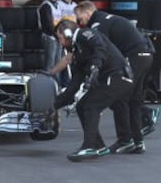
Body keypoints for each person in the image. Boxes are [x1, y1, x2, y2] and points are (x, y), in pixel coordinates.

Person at [74, 0, 156, 153]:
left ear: (87, 13)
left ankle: (125, 139)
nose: (80, 23)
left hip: (134, 56)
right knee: (134, 100)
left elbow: (102, 52)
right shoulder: (108, 18)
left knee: (120, 96)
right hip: (146, 55)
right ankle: (138, 142)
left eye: (80, 19)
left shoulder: (97, 25)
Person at [54, 20, 134, 162]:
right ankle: (98, 145)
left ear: (67, 33)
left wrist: (95, 67)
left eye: (59, 38)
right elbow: (74, 84)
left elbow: (100, 47)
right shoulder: (77, 51)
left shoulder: (86, 34)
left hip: (118, 76)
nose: (60, 43)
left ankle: (90, 146)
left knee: (92, 105)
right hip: (110, 79)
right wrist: (52, 107)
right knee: (81, 106)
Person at [37, 0, 63, 78]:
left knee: (58, 62)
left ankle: (57, 84)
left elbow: (61, 21)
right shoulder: (45, 6)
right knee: (50, 63)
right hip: (50, 37)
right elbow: (48, 24)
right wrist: (57, 35)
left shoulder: (58, 5)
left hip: (58, 36)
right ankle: (48, 84)